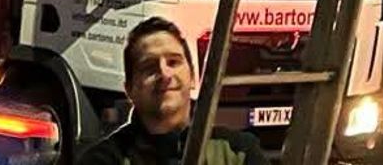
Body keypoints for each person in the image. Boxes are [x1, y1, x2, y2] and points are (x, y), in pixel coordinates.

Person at [78, 16, 266, 165]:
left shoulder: (238, 153)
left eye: (173, 62)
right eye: (150, 67)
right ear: (129, 90)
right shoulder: (103, 160)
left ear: (193, 77)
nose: (164, 73)